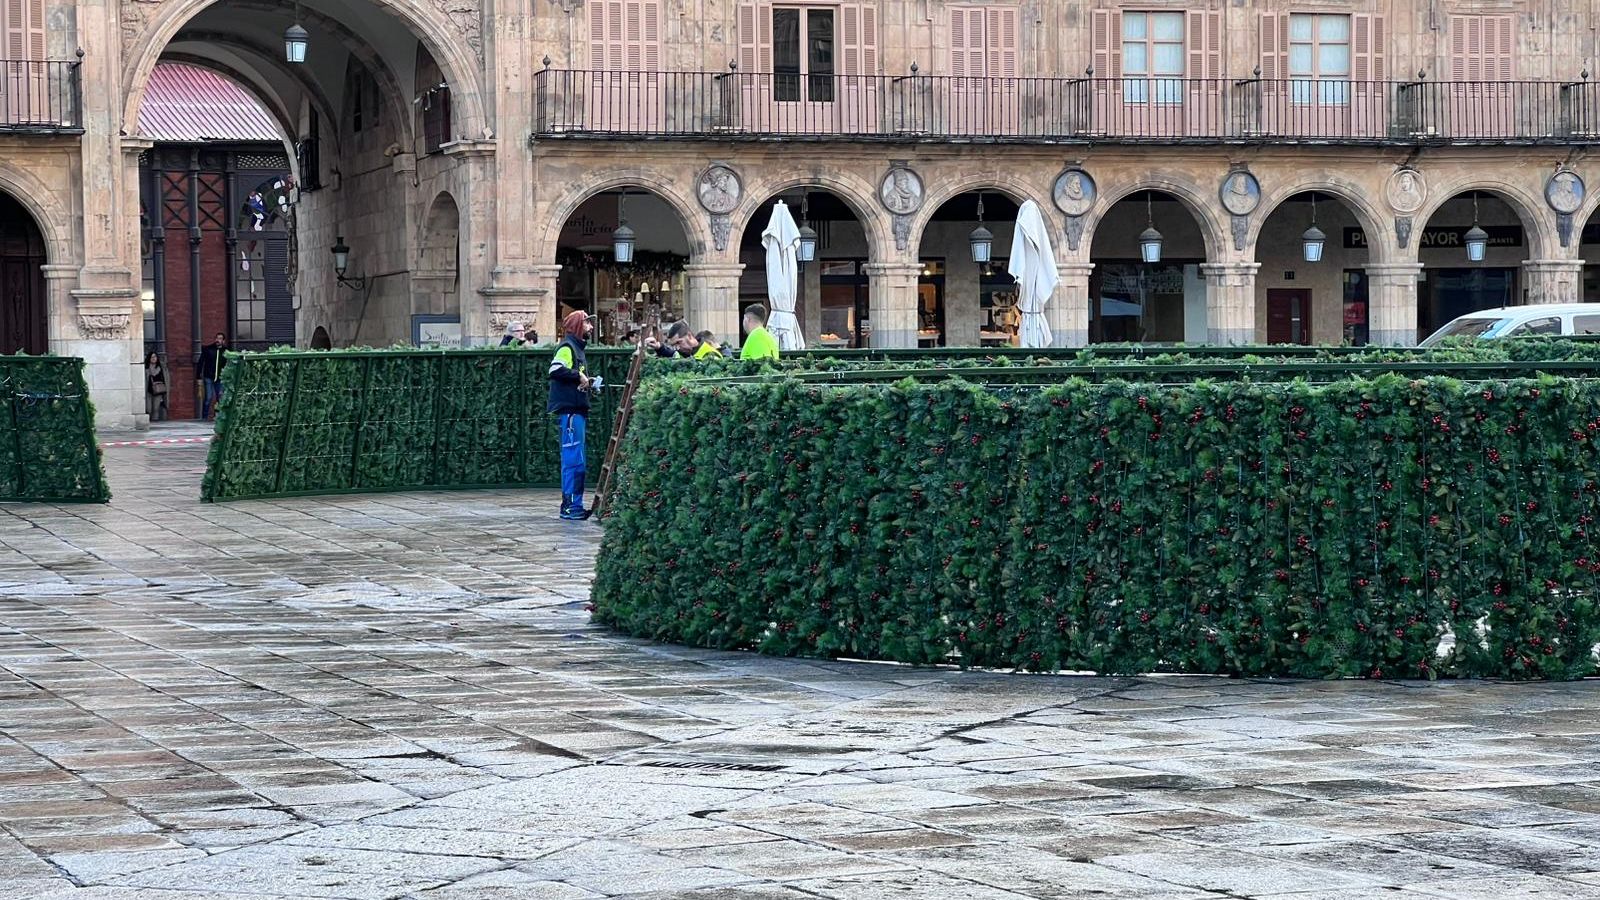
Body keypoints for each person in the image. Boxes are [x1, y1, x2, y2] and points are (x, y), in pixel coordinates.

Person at [550, 310, 598, 520]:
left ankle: (574, 505)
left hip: (575, 411)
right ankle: (571, 507)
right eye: (587, 323)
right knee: (573, 461)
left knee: (576, 460)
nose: (591, 327)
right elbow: (555, 369)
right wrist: (578, 375)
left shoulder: (576, 348)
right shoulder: (567, 347)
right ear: (578, 325)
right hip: (570, 412)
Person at [197, 332, 228, 420]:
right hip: (209, 377)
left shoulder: (226, 351)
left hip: (220, 378)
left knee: (220, 398)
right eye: (217, 338)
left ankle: (218, 417)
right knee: (208, 398)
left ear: (223, 341)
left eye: (220, 338)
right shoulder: (208, 349)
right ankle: (204, 417)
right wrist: (198, 377)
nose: (218, 340)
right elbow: (200, 363)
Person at [144, 352, 168, 422]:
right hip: (148, 389)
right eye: (152, 357)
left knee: (156, 407)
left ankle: (155, 420)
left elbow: (166, 378)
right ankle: (148, 420)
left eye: (155, 357)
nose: (153, 358)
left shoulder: (161, 367)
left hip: (159, 390)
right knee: (148, 408)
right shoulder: (146, 367)